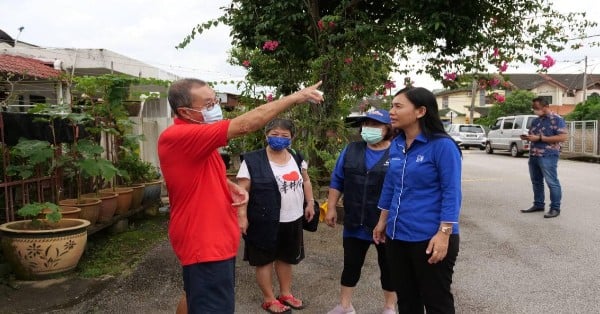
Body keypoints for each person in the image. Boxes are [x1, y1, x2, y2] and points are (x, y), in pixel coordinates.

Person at [158, 78, 323, 314]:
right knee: (213, 306)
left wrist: (227, 186)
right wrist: (297, 96)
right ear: (186, 111)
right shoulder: (182, 136)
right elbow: (247, 124)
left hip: (209, 241)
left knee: (195, 295)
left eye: (215, 100)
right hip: (205, 244)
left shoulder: (194, 140)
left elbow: (197, 174)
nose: (215, 107)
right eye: (208, 103)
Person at [373, 87, 462, 314]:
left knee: (436, 301)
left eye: (398, 106)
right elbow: (391, 185)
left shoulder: (442, 146)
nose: (391, 111)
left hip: (429, 237)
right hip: (397, 234)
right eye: (392, 105)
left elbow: (451, 192)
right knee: (407, 300)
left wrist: (444, 234)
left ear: (420, 111)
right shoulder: (397, 144)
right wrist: (383, 221)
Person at [236, 118, 316, 314]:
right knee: (264, 260)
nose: (279, 139)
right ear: (266, 135)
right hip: (263, 220)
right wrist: (242, 216)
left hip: (293, 217)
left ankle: (285, 294)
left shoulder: (297, 156)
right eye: (274, 135)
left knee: (287, 257)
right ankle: (269, 298)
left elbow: (306, 180)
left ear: (292, 138)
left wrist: (311, 202)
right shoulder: (252, 160)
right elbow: (241, 190)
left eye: (284, 136)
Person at [325, 109, 397, 314]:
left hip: (386, 223)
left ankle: (389, 307)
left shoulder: (398, 152)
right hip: (355, 219)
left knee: (389, 266)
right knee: (351, 265)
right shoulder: (351, 150)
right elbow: (337, 180)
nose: (369, 129)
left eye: (375, 125)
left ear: (387, 129)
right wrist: (331, 207)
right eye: (366, 125)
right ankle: (345, 306)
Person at [520, 97, 568, 218]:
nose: (534, 110)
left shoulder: (557, 119)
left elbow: (562, 137)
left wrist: (541, 138)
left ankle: (555, 208)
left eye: (536, 108)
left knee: (552, 182)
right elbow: (534, 135)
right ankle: (538, 204)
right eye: (533, 108)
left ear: (545, 107)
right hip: (534, 154)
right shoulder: (536, 121)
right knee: (536, 181)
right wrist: (528, 137)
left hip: (548, 155)